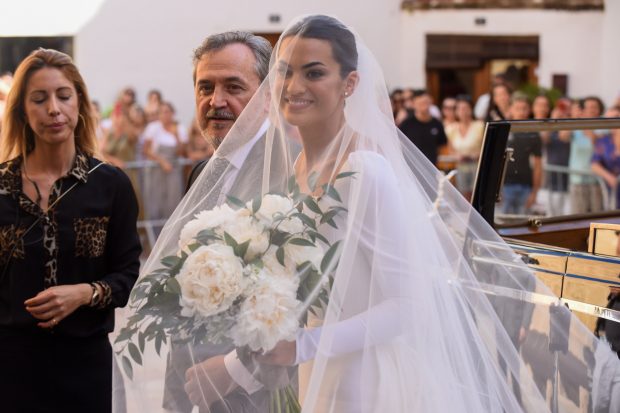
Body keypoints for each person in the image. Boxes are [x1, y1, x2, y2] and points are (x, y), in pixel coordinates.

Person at [119, 15, 620, 413]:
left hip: (370, 378)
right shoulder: (298, 168)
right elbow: (302, 297)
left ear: (350, 83)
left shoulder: (365, 170)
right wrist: (246, 365)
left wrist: (294, 350)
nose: (295, 84)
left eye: (315, 72)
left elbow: (404, 307)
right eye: (287, 71)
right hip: (321, 375)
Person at [0, 48, 141, 412]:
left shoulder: (110, 185)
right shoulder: (0, 187)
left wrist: (84, 293)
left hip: (87, 366)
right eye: (39, 99)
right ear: (21, 111)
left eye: (63, 96)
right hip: (11, 367)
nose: (53, 109)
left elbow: (128, 276)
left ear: (79, 103)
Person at [158, 31, 274, 413]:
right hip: (194, 387)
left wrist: (237, 373)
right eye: (204, 87)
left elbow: (305, 306)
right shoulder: (202, 172)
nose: (216, 101)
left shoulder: (287, 174)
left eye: (233, 87)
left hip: (260, 393)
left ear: (267, 94)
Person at [142, 101, 188, 221]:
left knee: (173, 200)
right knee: (156, 201)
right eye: (161, 112)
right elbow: (146, 150)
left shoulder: (179, 128)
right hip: (156, 169)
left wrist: (176, 135)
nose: (164, 115)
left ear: (173, 113)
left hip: (173, 169)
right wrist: (162, 161)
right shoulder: (152, 127)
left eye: (167, 112)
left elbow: (181, 152)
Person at [501, 94, 543, 215]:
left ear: (529, 110)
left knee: (523, 226)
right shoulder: (503, 131)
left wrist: (535, 192)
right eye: (517, 108)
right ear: (511, 109)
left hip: (526, 186)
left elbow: (538, 165)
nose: (521, 112)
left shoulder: (533, 133)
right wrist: (496, 190)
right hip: (505, 186)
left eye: (524, 108)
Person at [445, 96, 484, 199]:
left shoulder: (480, 126)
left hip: (477, 167)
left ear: (471, 109)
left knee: (476, 196)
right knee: (463, 198)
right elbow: (450, 150)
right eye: (460, 108)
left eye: (465, 108)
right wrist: (457, 156)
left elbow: (485, 146)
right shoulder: (451, 128)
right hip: (460, 167)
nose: (463, 112)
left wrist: (476, 154)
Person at [398, 89, 447, 166]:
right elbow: (399, 145)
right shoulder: (406, 125)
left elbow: (443, 146)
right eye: (420, 103)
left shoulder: (437, 124)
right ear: (413, 104)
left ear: (431, 101)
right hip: (411, 168)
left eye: (426, 103)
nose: (424, 106)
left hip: (432, 169)